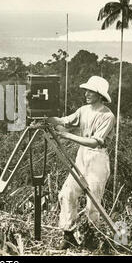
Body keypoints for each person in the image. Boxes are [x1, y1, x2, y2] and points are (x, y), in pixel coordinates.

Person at [31, 76, 115, 250]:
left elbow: (95, 141)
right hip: (82, 156)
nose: (86, 94)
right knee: (66, 193)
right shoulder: (83, 110)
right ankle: (68, 235)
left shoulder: (108, 116)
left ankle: (91, 237)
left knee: (93, 201)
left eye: (91, 91)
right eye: (86, 90)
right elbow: (63, 122)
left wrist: (68, 135)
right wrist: (43, 112)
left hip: (97, 158)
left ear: (99, 95)